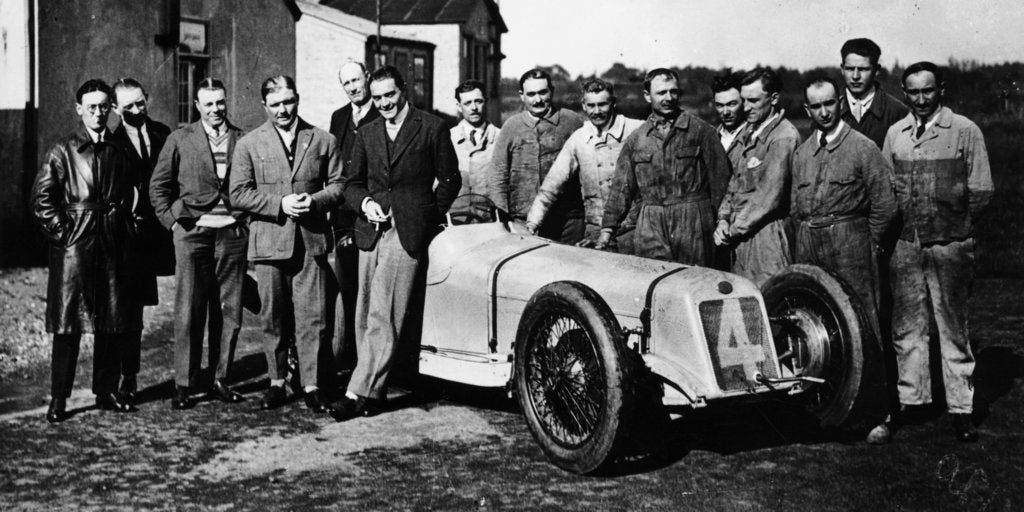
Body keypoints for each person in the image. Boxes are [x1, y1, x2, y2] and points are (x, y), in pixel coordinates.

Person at [331, 66, 460, 420]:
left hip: (407, 234)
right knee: (364, 312)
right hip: (370, 231)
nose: (384, 103)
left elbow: (450, 180)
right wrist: (366, 204)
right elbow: (351, 183)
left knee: (383, 313)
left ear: (403, 90)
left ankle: (355, 392)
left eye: (390, 95)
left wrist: (427, 216)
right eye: (378, 97)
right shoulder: (368, 132)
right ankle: (376, 391)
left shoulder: (431, 127)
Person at [882, 62, 993, 442]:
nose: (920, 99)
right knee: (908, 328)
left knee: (952, 329)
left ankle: (961, 410)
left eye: (927, 91)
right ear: (904, 92)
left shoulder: (965, 130)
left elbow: (981, 191)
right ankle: (912, 401)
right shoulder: (895, 134)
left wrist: (949, 227)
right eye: (912, 92)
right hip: (905, 247)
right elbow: (886, 191)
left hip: (950, 247)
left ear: (940, 89)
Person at [792, 77, 898, 444]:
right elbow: (795, 208)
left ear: (839, 103)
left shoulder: (863, 148)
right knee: (818, 326)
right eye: (815, 107)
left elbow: (885, 205)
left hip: (851, 246)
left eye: (829, 104)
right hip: (810, 244)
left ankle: (876, 414)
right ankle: (826, 412)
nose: (823, 112)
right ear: (807, 110)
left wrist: (867, 244)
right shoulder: (803, 153)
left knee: (864, 326)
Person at [229, 75, 344, 413]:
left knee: (313, 317)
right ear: (265, 106)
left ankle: (311, 384)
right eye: (275, 104)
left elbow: (339, 185)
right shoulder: (249, 144)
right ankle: (277, 382)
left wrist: (317, 201)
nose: (283, 109)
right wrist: (279, 204)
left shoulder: (323, 140)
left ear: (298, 100)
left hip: (311, 243)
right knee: (273, 317)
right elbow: (238, 194)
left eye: (288, 102)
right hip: (269, 243)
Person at [32, 79, 139, 422]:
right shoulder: (62, 151)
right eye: (90, 107)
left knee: (110, 322)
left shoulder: (120, 150)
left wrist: (127, 229)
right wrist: (66, 235)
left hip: (112, 246)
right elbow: (41, 201)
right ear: (79, 110)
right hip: (75, 251)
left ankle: (105, 392)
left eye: (103, 106)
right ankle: (59, 398)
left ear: (111, 109)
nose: (97, 113)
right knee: (68, 327)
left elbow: (131, 196)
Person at [150, 78, 248, 409]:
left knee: (229, 311)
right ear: (197, 106)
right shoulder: (180, 139)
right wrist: (173, 223)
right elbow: (158, 187)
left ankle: (221, 378)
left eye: (220, 102)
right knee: (189, 310)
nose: (216, 109)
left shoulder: (243, 139)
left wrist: (243, 222)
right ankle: (184, 384)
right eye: (208, 104)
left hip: (231, 235)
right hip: (193, 235)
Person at [599, 68, 730, 264]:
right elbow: (621, 189)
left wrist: (724, 219)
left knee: (695, 283)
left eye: (673, 91)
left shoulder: (702, 131)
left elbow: (723, 183)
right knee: (653, 281)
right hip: (651, 225)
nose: (669, 98)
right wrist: (607, 230)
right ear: (647, 96)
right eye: (661, 92)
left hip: (693, 222)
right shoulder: (637, 139)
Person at [109, 77, 172, 407]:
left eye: (140, 102)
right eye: (128, 106)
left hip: (167, 231)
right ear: (116, 110)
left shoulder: (163, 133)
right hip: (132, 238)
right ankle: (128, 377)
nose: (136, 110)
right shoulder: (111, 142)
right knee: (131, 311)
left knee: (217, 279)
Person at [526, 78, 643, 251]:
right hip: (595, 230)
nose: (597, 111)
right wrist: (531, 224)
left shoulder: (636, 130)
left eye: (602, 104)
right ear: (583, 105)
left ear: (613, 103)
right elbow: (551, 186)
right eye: (591, 105)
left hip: (633, 230)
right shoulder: (579, 139)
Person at [715, 67, 799, 284]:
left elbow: (768, 197)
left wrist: (732, 229)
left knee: (768, 301)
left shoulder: (783, 137)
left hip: (768, 237)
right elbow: (734, 182)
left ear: (773, 98)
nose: (746, 107)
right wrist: (723, 219)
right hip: (741, 235)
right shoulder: (747, 132)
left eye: (753, 100)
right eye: (743, 100)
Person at [326, 61, 380, 385]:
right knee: (347, 287)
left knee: (371, 289)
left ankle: (369, 362)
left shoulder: (382, 115)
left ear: (368, 79)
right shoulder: (339, 118)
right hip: (344, 216)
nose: (352, 87)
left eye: (356, 80)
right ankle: (348, 358)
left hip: (372, 213)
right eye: (346, 83)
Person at [487, 69, 584, 243]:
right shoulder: (511, 126)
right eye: (531, 94)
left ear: (551, 91)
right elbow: (497, 175)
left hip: (568, 221)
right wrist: (503, 219)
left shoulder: (572, 121)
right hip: (522, 221)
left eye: (542, 92)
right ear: (522, 96)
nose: (537, 99)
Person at [838, 38, 910, 149]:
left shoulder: (898, 111)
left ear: (876, 70)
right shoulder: (827, 109)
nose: (855, 76)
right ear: (842, 69)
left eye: (863, 69)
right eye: (850, 69)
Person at [450, 79, 500, 214]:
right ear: (459, 106)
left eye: (478, 101)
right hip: (455, 219)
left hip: (490, 219)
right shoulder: (447, 139)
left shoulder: (500, 138)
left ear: (486, 102)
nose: (474, 107)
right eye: (467, 103)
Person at [712, 72, 748, 154]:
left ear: (744, 102)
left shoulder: (755, 137)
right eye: (720, 105)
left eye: (731, 104)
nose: (725, 112)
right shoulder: (710, 138)